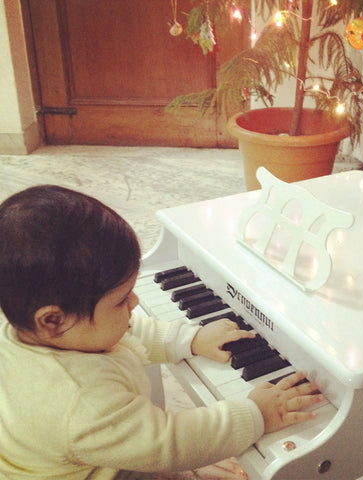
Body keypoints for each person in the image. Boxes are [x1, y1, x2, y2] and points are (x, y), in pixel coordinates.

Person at [0, 185, 323, 480]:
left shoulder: (36, 325)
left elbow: (129, 330)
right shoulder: (80, 402)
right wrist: (256, 414)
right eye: (120, 301)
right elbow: (168, 441)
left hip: (88, 448)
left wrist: (190, 339)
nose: (135, 303)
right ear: (52, 320)